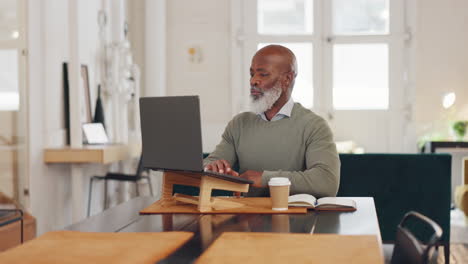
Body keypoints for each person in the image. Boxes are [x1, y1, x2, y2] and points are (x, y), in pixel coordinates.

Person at [204, 45, 340, 197]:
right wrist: (213, 168)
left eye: (263, 75)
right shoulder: (239, 124)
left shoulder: (314, 126)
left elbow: (326, 182)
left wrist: (264, 179)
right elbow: (208, 165)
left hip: (296, 219)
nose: (253, 81)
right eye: (252, 74)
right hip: (246, 217)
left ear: (287, 79)